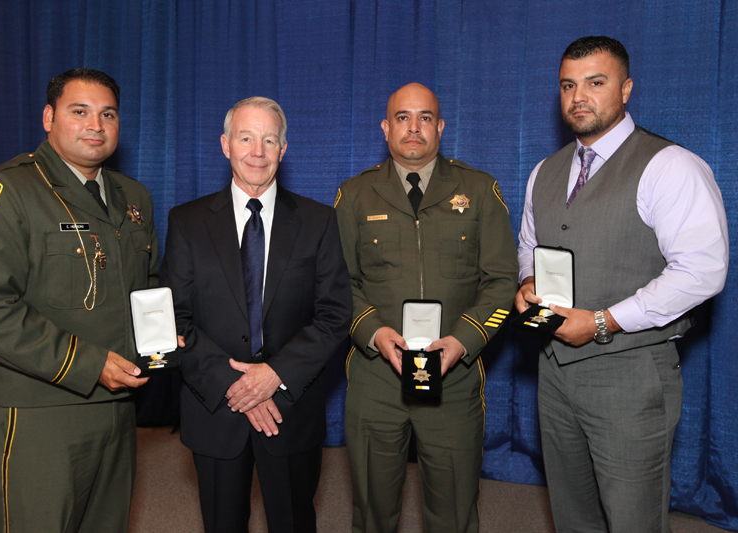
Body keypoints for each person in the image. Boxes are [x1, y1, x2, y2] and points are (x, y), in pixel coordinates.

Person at [515, 36, 729, 533]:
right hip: (554, 373)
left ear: (626, 88)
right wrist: (527, 280)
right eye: (568, 85)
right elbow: (529, 243)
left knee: (634, 521)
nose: (579, 97)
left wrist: (602, 322)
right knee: (572, 515)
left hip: (630, 375)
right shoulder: (543, 172)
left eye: (595, 82)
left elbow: (702, 271)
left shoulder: (669, 166)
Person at [0, 68, 158, 532]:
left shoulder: (133, 197)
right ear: (49, 117)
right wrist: (88, 364)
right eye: (79, 111)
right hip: (41, 406)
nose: (95, 126)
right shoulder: (5, 192)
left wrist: (162, 337)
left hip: (118, 403)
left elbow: (146, 287)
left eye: (108, 114)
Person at [161, 96, 352, 532]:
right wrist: (238, 386)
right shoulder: (186, 222)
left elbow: (334, 314)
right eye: (246, 138)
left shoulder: (318, 220)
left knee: (293, 522)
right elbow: (175, 317)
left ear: (283, 150)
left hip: (289, 406)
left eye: (269, 140)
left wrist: (273, 376)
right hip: (215, 408)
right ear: (225, 144)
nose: (258, 151)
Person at [335, 83, 519, 533]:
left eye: (424, 117)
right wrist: (374, 334)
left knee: (453, 511)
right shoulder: (354, 195)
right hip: (375, 378)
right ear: (386, 127)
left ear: (440, 126)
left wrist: (463, 341)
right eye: (402, 117)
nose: (413, 128)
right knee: (372, 510)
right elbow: (338, 285)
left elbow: (501, 282)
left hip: (453, 380)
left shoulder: (478, 190)